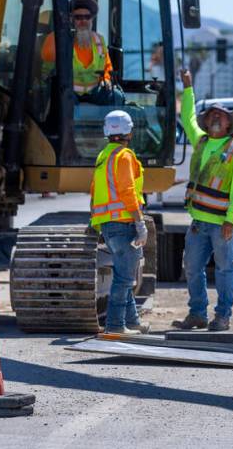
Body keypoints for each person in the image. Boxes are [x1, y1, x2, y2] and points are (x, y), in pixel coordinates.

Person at [171, 68, 233, 332]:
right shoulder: (201, 142)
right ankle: (197, 314)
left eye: (221, 115)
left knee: (225, 270)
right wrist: (188, 86)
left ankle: (223, 316)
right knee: (192, 268)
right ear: (206, 123)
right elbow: (187, 115)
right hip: (198, 222)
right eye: (212, 114)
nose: (216, 117)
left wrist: (232, 219)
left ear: (229, 124)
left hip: (222, 223)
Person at [89, 110, 149, 335]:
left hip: (108, 224)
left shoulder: (104, 155)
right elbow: (127, 190)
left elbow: (95, 190)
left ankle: (131, 321)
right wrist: (139, 221)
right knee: (124, 278)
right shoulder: (124, 156)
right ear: (130, 133)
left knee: (124, 274)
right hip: (124, 223)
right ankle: (115, 325)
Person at [40, 0, 114, 101]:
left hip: (94, 92)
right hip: (65, 92)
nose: (83, 21)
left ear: (92, 20)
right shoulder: (57, 38)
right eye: (78, 17)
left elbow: (107, 67)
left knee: (116, 97)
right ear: (70, 19)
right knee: (64, 102)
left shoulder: (99, 40)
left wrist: (106, 80)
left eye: (87, 17)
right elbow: (47, 57)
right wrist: (60, 30)